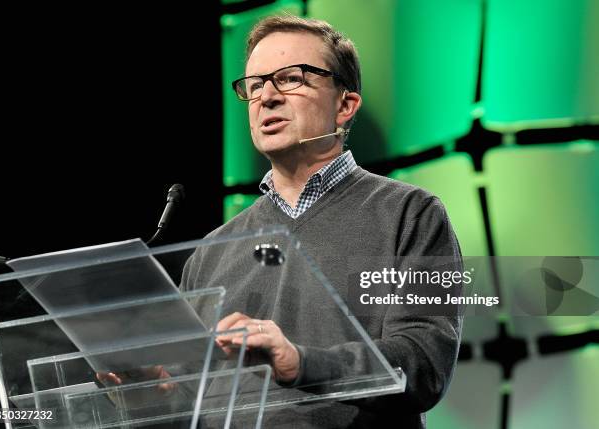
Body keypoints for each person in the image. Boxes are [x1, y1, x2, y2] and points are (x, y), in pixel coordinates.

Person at [181, 15, 463, 428]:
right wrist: (160, 388)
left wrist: (300, 363)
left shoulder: (411, 214)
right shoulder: (210, 253)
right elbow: (196, 393)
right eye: (255, 85)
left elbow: (423, 364)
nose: (266, 97)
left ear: (345, 106)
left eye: (290, 78)